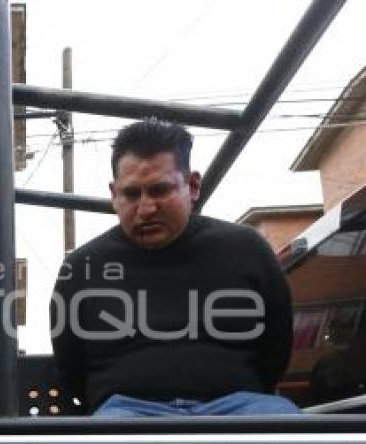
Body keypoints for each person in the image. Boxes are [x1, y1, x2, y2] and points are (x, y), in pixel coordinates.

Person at [50, 117, 299, 417]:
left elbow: (276, 345)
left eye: (159, 190)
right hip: (127, 412)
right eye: (131, 194)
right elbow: (70, 364)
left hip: (240, 407)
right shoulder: (82, 268)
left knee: (289, 436)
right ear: (114, 195)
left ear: (193, 186)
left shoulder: (247, 250)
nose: (145, 208)